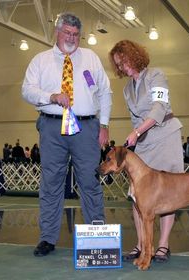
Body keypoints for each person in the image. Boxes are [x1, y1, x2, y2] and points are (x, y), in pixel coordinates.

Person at [22, 12, 112, 257]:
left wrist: (104, 125)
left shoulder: (91, 58)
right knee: (51, 184)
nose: (72, 38)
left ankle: (98, 237)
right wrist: (50, 96)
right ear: (57, 32)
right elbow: (27, 90)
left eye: (76, 34)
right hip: (52, 126)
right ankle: (47, 238)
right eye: (67, 33)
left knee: (90, 183)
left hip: (86, 128)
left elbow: (105, 92)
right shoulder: (40, 60)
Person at [109, 40, 184, 263]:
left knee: (169, 193)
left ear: (134, 55)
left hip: (165, 136)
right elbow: (135, 118)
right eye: (118, 64)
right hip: (144, 142)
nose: (122, 66)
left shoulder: (156, 75)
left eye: (123, 60)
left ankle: (163, 245)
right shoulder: (126, 89)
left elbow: (159, 108)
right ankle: (143, 245)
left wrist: (137, 132)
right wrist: (136, 138)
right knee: (136, 195)